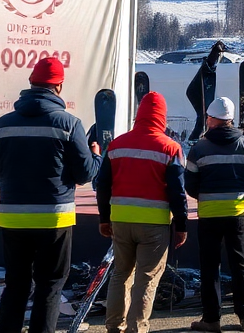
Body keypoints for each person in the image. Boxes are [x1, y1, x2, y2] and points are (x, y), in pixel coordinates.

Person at [0, 58, 101, 333]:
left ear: (30, 84)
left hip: (13, 219)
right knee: (50, 286)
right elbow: (84, 174)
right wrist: (96, 156)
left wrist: (17, 186)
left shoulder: (3, 124)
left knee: (16, 285)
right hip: (54, 220)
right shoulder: (69, 124)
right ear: (59, 86)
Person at [95, 91, 189, 333]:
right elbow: (178, 192)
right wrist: (181, 225)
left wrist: (104, 218)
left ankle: (114, 326)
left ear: (139, 115)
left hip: (121, 222)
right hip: (154, 225)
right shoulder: (170, 148)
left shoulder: (116, 145)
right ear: (162, 118)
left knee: (120, 275)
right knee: (146, 279)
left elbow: (102, 184)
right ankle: (138, 328)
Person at [187, 98, 244, 332]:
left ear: (211, 119)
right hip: (239, 215)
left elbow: (190, 183)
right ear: (231, 120)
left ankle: (211, 320)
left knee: (210, 266)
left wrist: (204, 195)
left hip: (210, 215)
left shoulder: (198, 148)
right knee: (241, 263)